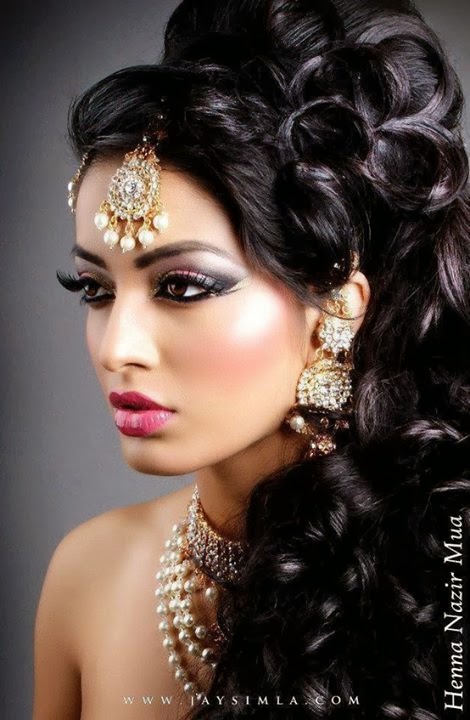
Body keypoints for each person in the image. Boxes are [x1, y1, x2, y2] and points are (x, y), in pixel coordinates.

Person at [33, 0, 469, 718]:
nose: (117, 349)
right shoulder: (89, 576)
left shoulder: (438, 582)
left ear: (337, 305)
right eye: (95, 289)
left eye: (182, 286)